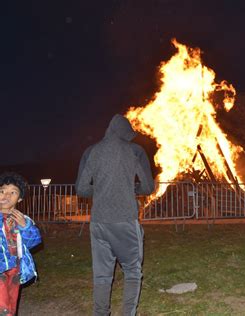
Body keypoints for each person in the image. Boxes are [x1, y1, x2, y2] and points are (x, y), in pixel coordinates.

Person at [76, 114, 155, 316]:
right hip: (125, 220)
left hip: (99, 222)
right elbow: (147, 187)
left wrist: (103, 190)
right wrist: (129, 188)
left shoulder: (91, 151)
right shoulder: (135, 151)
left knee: (102, 275)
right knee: (132, 271)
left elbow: (82, 189)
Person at [0, 172, 42, 315]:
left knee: (11, 305)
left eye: (13, 192)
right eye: (2, 191)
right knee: (3, 308)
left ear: (20, 198)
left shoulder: (22, 219)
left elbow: (34, 242)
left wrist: (25, 226)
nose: (6, 195)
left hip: (15, 269)